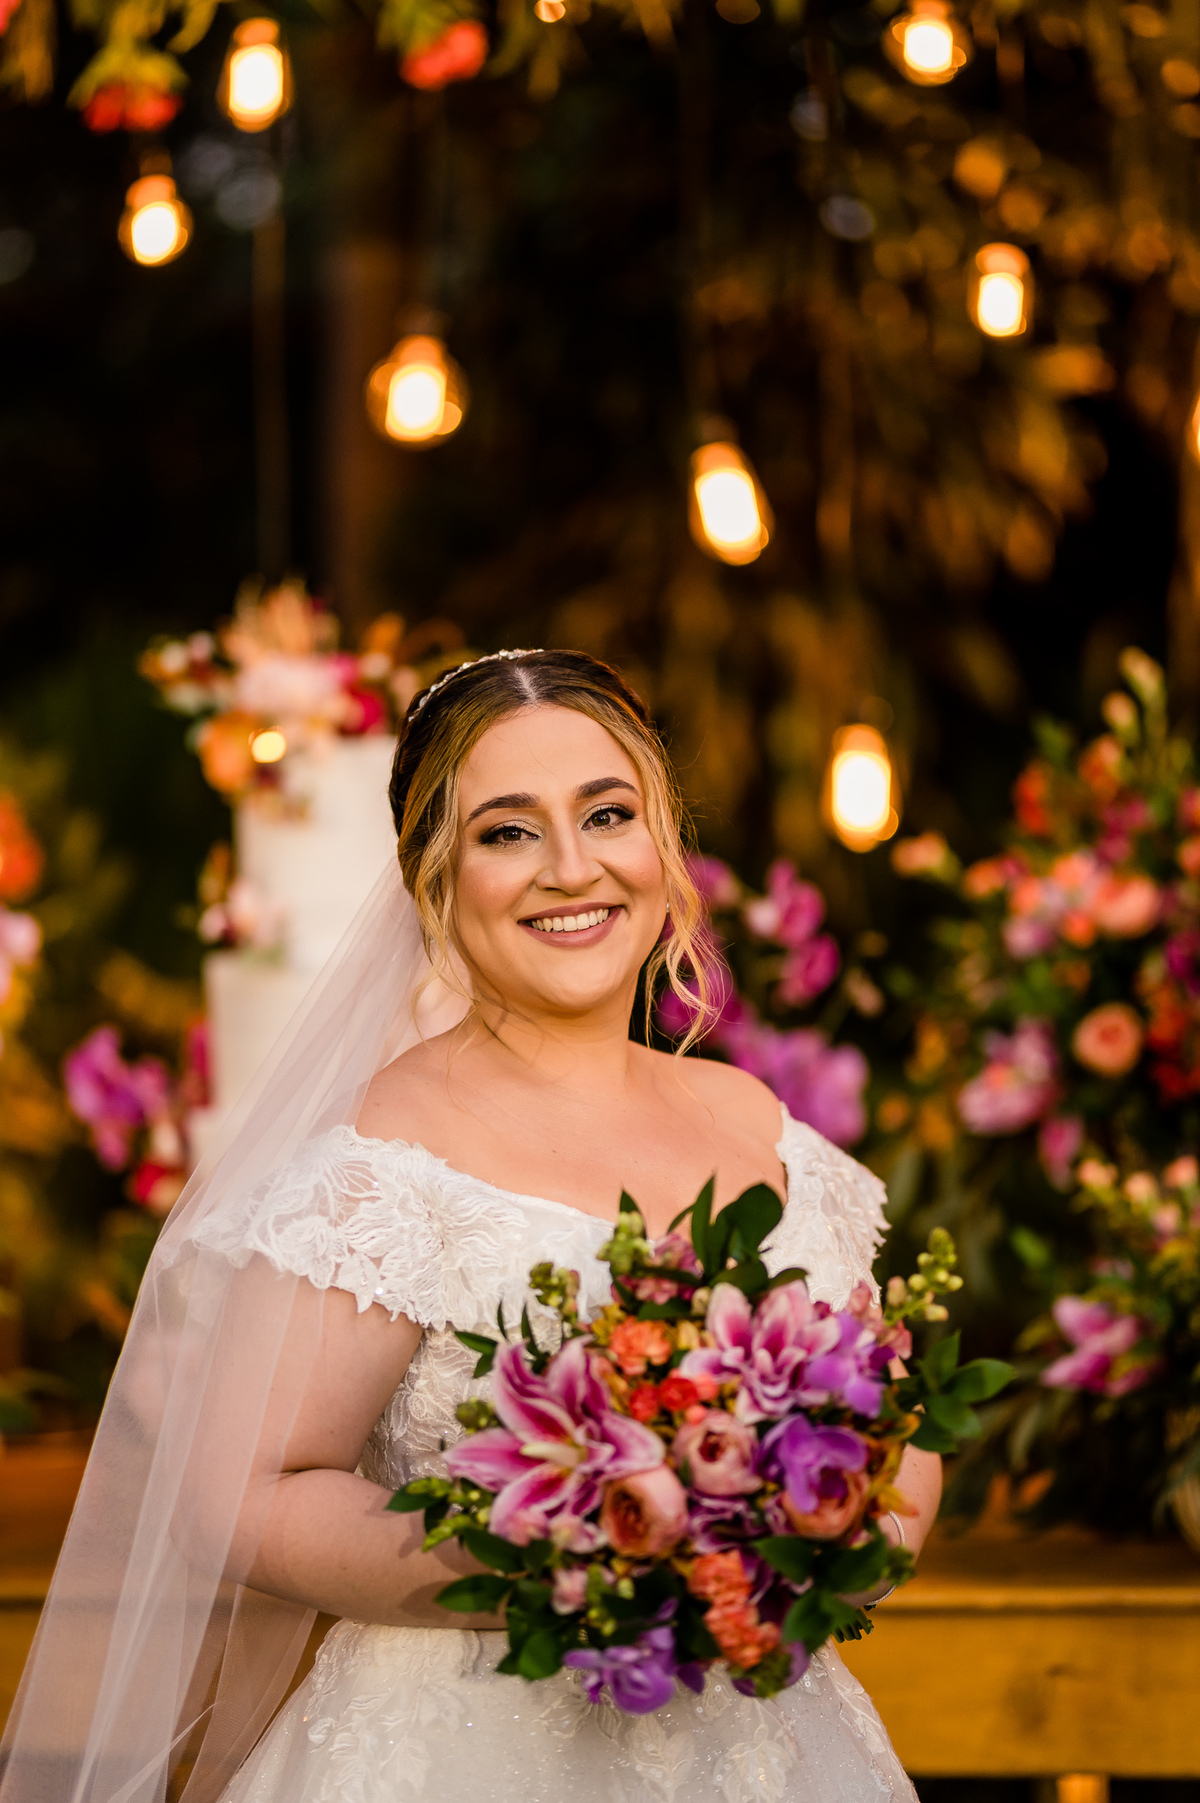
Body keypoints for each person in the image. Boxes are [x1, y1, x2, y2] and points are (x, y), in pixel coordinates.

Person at [0, 649, 939, 1803]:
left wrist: (828, 1533)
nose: (571, 867)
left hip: (770, 1747)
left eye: (608, 813)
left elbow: (888, 1429)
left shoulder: (759, 1128)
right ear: (433, 877)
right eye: (506, 831)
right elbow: (239, 1497)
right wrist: (538, 1557)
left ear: (663, 842)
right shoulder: (390, 1158)